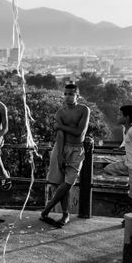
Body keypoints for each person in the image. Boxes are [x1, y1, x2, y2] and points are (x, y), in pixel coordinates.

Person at [40, 83, 90, 227]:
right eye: (66, 94)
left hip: (77, 148)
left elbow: (79, 132)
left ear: (77, 95)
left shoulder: (84, 110)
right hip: (61, 147)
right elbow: (60, 135)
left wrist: (60, 126)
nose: (68, 96)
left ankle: (46, 210)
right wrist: (60, 155)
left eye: (71, 94)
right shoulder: (60, 113)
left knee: (68, 183)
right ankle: (65, 214)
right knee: (60, 183)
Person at [104, 105, 132, 205]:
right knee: (108, 169)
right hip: (129, 164)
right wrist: (120, 149)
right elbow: (127, 143)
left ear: (127, 118)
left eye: (120, 115)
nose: (117, 117)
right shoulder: (125, 129)